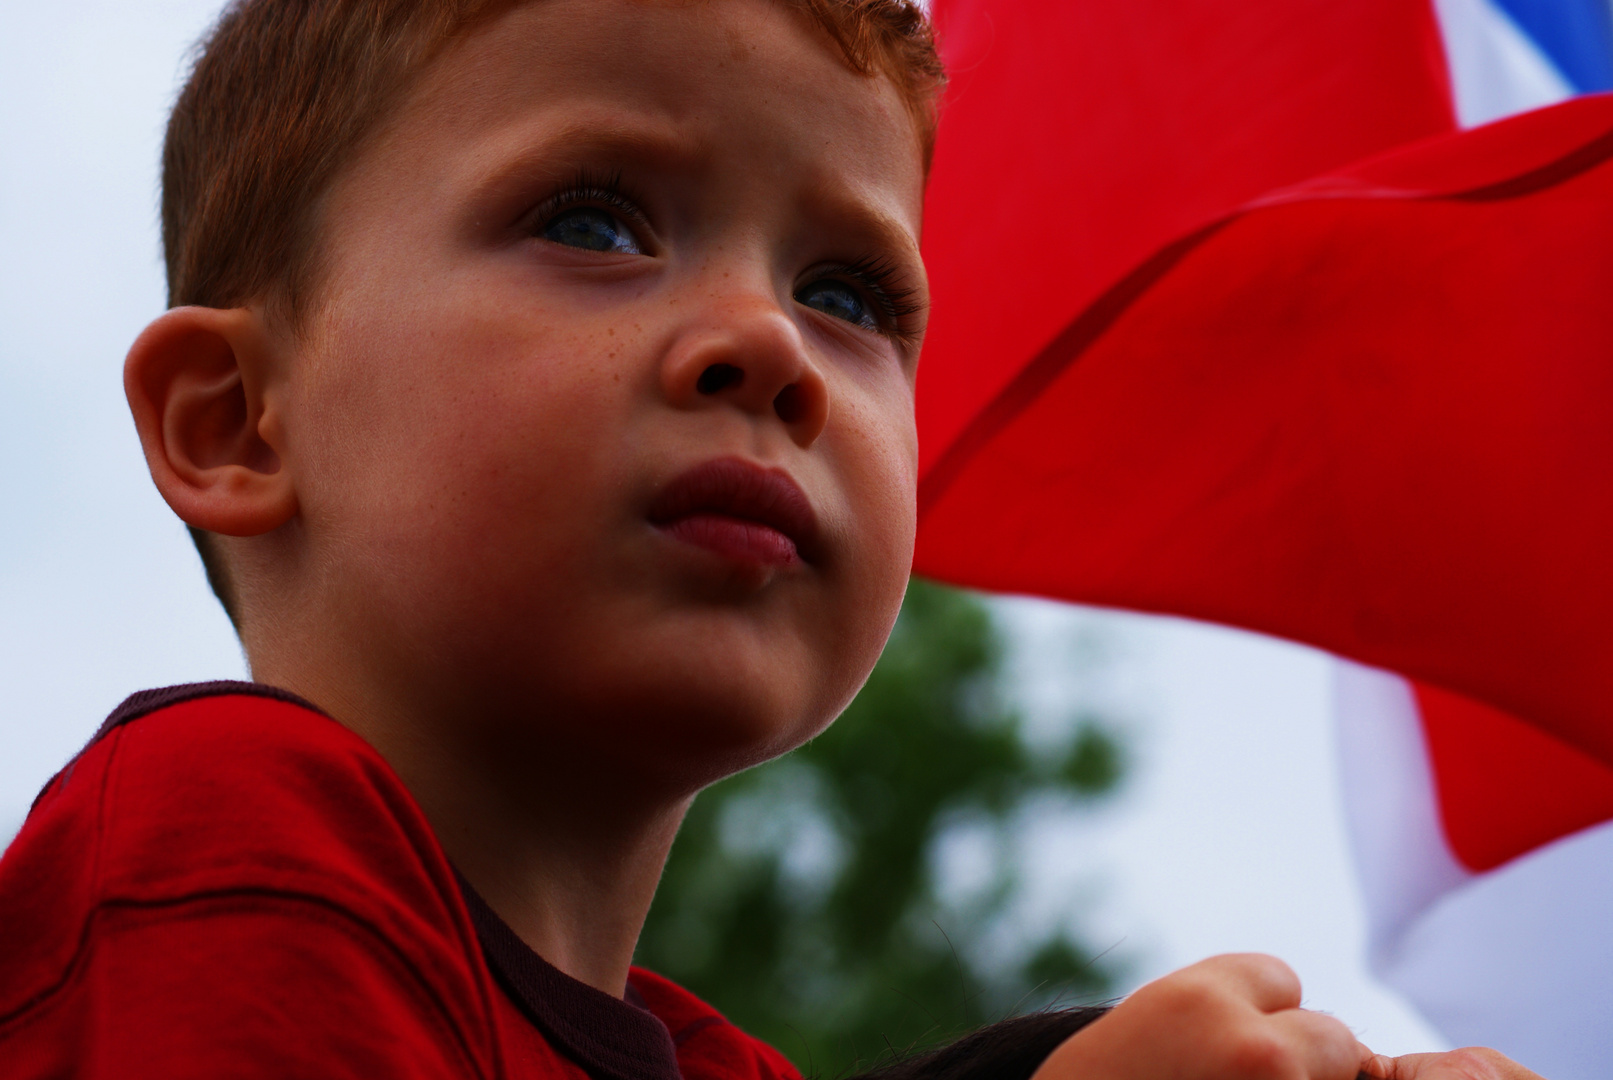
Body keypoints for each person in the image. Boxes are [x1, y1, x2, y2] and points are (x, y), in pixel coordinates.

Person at [0, 2, 1546, 1078]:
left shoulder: (719, 1063)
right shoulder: (220, 838)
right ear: (235, 422)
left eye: (851, 294)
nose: (769, 344)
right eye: (596, 221)